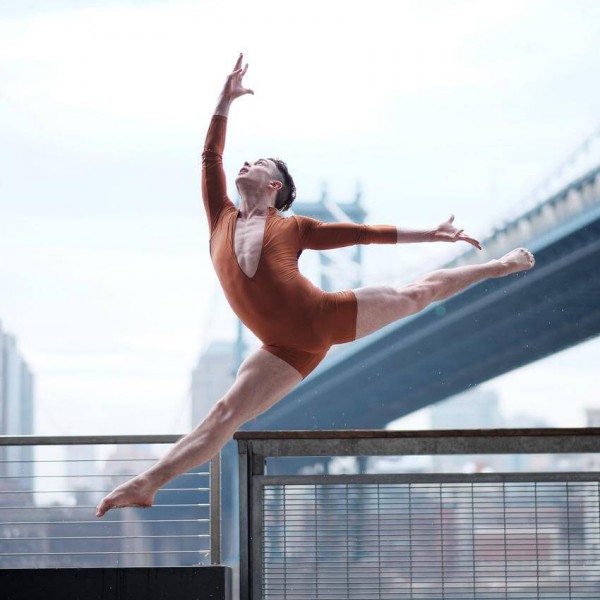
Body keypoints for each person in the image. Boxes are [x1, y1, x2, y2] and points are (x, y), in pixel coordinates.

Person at [96, 55, 534, 517]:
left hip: (324, 318)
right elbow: (211, 157)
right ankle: (148, 482)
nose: (246, 163)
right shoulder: (220, 217)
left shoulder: (295, 226)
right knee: (225, 415)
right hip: (281, 350)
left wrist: (432, 234)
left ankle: (496, 267)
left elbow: (366, 235)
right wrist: (224, 100)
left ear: (274, 188)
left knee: (414, 294)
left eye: (260, 163)